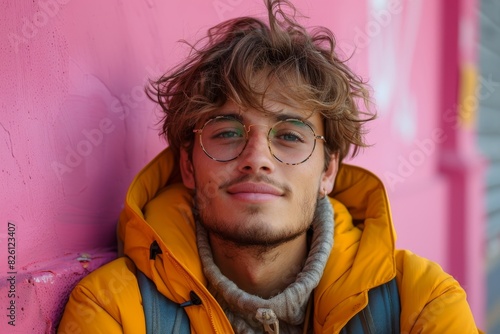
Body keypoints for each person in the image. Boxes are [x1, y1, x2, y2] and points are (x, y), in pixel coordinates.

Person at [59, 0, 482, 333]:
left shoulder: (421, 303)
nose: (257, 159)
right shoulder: (113, 308)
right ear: (187, 165)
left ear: (328, 171)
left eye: (291, 135)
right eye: (226, 132)